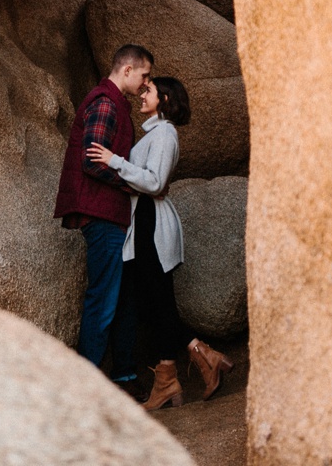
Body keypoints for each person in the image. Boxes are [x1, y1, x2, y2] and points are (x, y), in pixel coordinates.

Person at [88, 76, 234, 410]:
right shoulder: (155, 133)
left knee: (156, 302)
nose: (142, 94)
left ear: (164, 99)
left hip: (151, 225)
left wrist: (114, 160)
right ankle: (190, 366)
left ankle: (182, 373)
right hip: (142, 223)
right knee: (154, 304)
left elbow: (153, 182)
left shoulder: (166, 134)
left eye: (149, 90)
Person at [54, 43, 153, 367]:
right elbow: (92, 162)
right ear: (127, 70)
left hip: (107, 213)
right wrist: (136, 185)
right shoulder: (106, 103)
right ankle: (88, 384)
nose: (145, 83)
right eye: (144, 75)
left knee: (112, 299)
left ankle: (116, 377)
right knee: (102, 302)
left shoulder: (113, 103)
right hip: (102, 214)